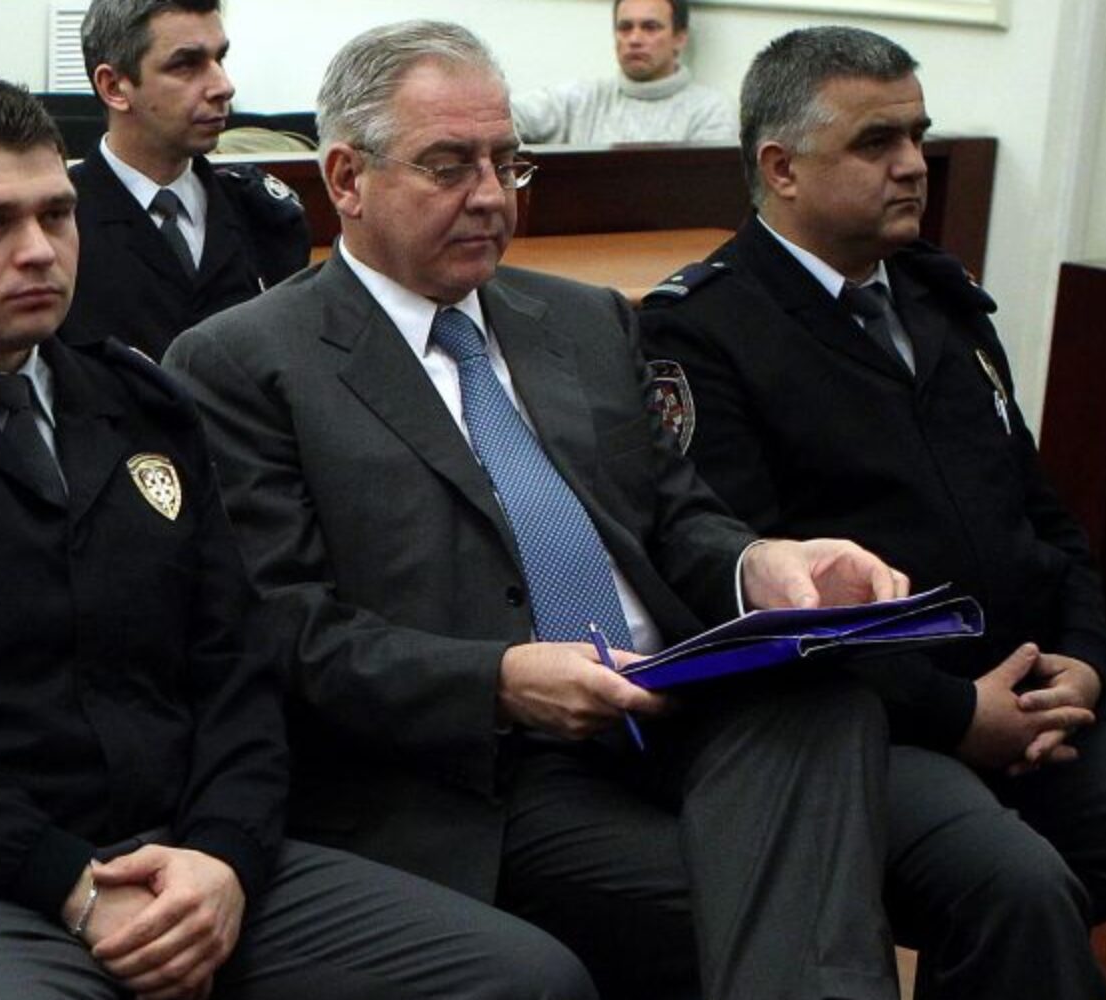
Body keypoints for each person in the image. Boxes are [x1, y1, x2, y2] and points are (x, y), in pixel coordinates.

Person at [0, 74, 602, 1000]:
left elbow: (235, 665)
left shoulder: (139, 403)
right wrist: (67, 880)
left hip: (182, 856)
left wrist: (223, 855)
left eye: (57, 215)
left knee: (529, 980)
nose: (37, 251)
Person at [165, 21, 908, 1000]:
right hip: (481, 768)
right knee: (789, 906)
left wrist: (758, 563)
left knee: (837, 713)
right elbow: (290, 631)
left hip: (674, 707)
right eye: (448, 166)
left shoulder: (583, 319)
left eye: (506, 163)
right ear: (346, 179)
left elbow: (673, 516)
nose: (489, 195)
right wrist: (500, 681)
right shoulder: (246, 363)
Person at [638, 25, 1106, 1000]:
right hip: (861, 724)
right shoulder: (703, 328)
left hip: (1033, 693)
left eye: (917, 136)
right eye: (875, 143)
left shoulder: (939, 304)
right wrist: (957, 712)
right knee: (1019, 889)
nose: (911, 165)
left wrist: (1086, 658)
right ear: (781, 168)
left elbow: (1045, 520)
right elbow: (740, 604)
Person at [64, 0, 309, 360]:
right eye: (186, 65)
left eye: (220, 59)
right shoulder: (58, 225)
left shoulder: (264, 217)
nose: (223, 86)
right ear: (114, 87)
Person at [512, 0, 733, 145]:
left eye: (650, 27)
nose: (634, 39)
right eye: (625, 27)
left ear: (679, 38)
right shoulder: (582, 99)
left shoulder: (711, 111)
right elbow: (507, 117)